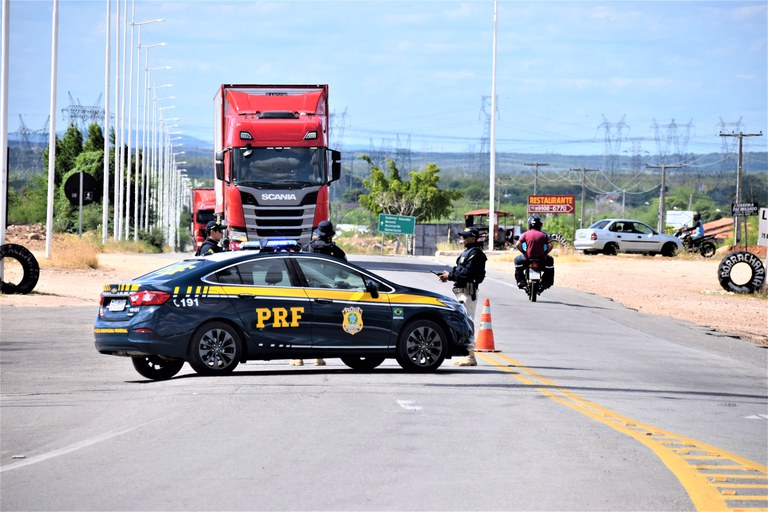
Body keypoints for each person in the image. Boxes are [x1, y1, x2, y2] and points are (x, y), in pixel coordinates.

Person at [291, 220, 346, 367]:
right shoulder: (337, 251)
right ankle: (318, 358)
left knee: (302, 324)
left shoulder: (306, 248)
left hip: (306, 293)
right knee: (321, 326)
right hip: (328, 294)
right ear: (330, 236)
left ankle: (298, 358)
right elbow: (345, 274)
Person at [437, 226, 487, 367]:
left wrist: (450, 275)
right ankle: (466, 354)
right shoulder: (467, 253)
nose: (462, 239)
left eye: (465, 236)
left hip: (467, 293)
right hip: (461, 292)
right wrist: (448, 275)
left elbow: (467, 273)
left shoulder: (476, 254)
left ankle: (470, 356)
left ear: (473, 237)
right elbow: (460, 270)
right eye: (462, 236)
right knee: (463, 323)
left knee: (468, 324)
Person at [515, 214, 554, 291]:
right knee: (550, 265)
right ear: (540, 225)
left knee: (517, 261)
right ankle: (546, 282)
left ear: (529, 224)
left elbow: (518, 244)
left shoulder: (525, 234)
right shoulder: (544, 234)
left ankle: (521, 281)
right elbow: (551, 246)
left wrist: (524, 252)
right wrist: (545, 253)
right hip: (542, 259)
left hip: (527, 258)